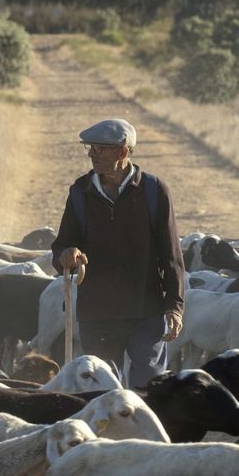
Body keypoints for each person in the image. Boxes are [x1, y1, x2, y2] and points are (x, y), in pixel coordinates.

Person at [51, 118, 185, 388]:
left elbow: (171, 254)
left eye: (99, 149)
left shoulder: (153, 191)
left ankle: (145, 431)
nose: (91, 154)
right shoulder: (80, 192)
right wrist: (67, 254)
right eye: (90, 148)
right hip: (98, 312)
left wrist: (175, 306)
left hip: (145, 308)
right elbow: (61, 246)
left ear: (123, 152)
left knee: (149, 385)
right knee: (102, 388)